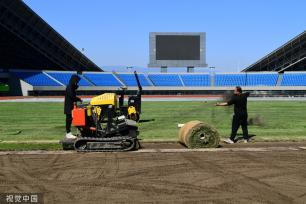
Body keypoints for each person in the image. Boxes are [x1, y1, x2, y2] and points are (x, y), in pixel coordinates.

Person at [64, 74, 82, 139]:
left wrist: (75, 86)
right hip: (68, 106)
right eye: (76, 81)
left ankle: (69, 133)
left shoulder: (71, 86)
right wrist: (78, 99)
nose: (77, 83)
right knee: (68, 120)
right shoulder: (69, 87)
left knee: (71, 119)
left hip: (70, 106)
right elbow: (72, 96)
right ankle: (68, 133)